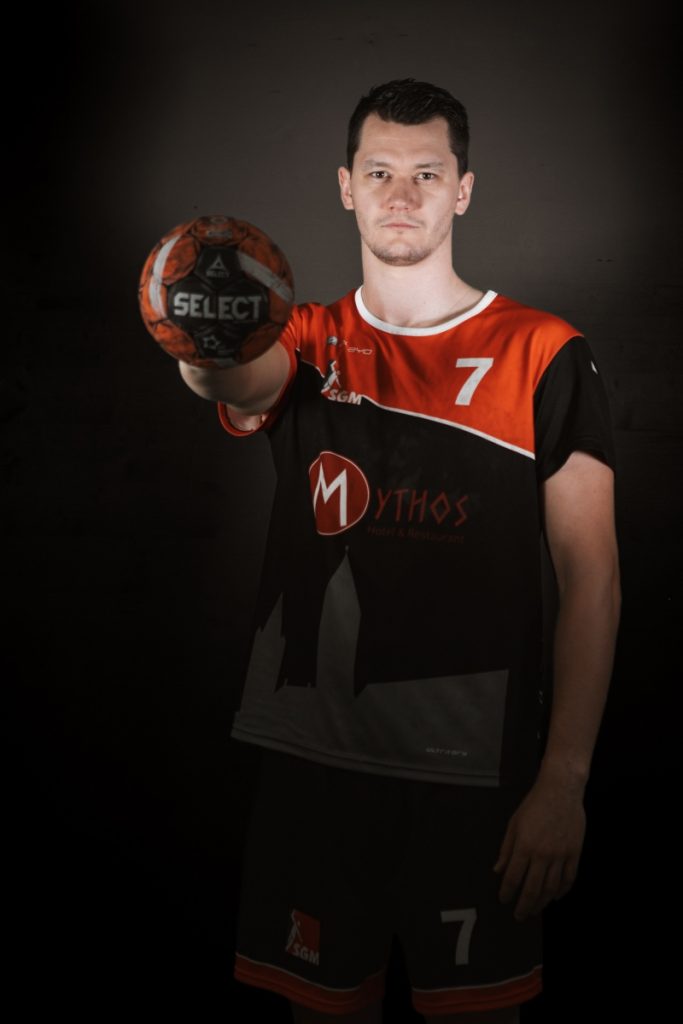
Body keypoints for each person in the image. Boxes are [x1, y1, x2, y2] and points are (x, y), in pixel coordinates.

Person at [179, 79, 621, 1023]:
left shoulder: (543, 351)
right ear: (346, 187)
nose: (402, 194)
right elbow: (231, 377)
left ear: (463, 189)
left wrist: (564, 779)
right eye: (380, 172)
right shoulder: (304, 337)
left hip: (476, 775)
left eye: (427, 173)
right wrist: (196, 327)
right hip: (314, 766)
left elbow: (591, 577)